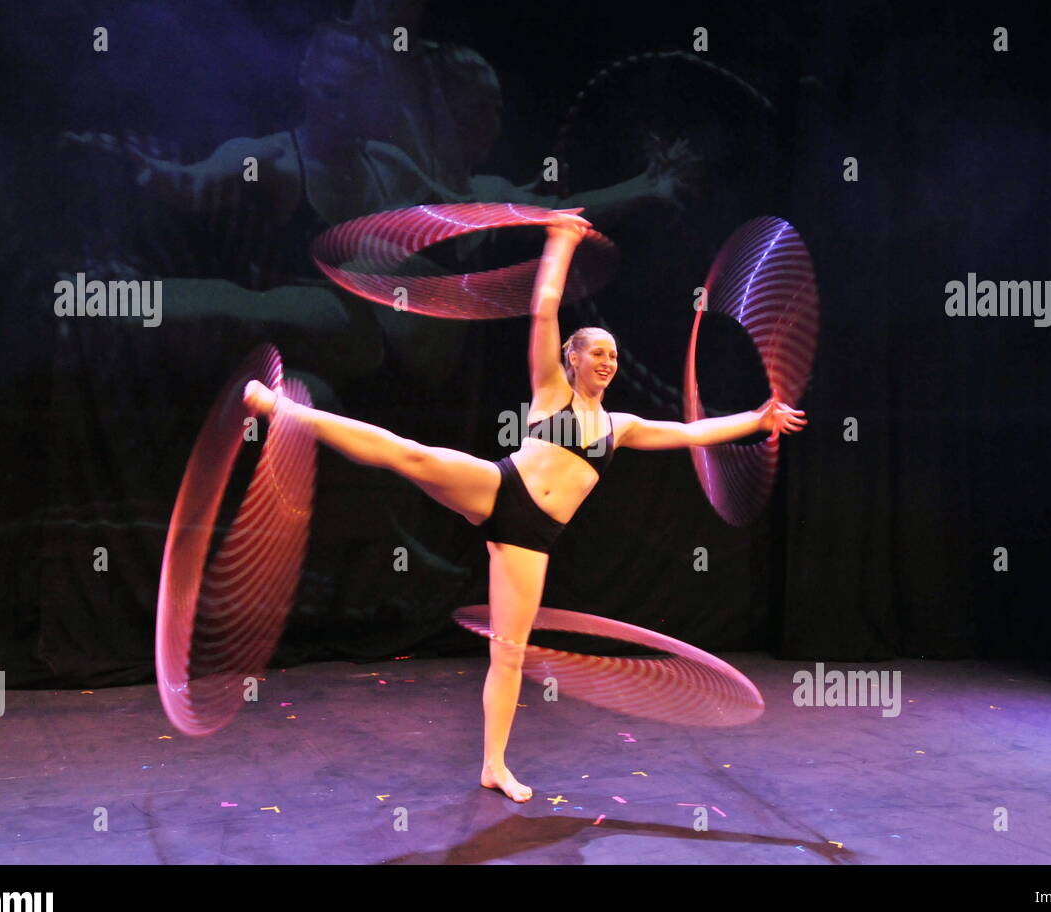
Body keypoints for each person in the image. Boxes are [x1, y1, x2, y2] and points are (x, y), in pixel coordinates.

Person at [242, 210, 808, 802]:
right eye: (597, 353)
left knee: (509, 653)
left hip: (531, 540)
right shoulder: (550, 391)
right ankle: (282, 410)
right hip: (499, 487)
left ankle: (494, 765)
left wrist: (758, 418)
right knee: (408, 454)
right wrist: (560, 241)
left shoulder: (623, 426)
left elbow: (694, 435)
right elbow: (544, 308)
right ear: (573, 361)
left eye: (613, 356)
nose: (608, 362)